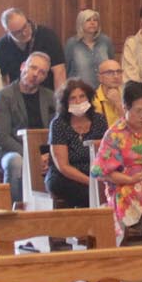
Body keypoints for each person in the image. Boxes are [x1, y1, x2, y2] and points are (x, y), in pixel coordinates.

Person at [95, 81, 142, 245]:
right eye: (138, 111)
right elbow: (103, 172)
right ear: (125, 107)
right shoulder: (114, 134)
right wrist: (129, 179)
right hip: (123, 186)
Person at [0, 53, 57, 196]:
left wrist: (49, 155)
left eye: (42, 72)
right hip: (13, 151)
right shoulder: (4, 96)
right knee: (16, 162)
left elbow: (57, 131)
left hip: (45, 152)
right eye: (33, 68)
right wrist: (32, 156)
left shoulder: (50, 97)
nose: (36, 74)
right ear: (23, 67)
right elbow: (2, 136)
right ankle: (17, 207)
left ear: (45, 77)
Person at [46, 79, 106, 209]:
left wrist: (98, 180)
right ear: (65, 102)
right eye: (72, 98)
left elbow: (106, 152)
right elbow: (63, 166)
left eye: (82, 96)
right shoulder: (58, 124)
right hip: (66, 176)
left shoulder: (99, 120)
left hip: (94, 173)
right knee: (89, 194)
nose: (78, 101)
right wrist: (91, 182)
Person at [0, 7, 67, 92]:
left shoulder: (47, 36)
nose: (24, 33)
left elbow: (59, 72)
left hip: (47, 94)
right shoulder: (2, 46)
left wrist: (60, 99)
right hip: (17, 96)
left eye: (25, 26)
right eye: (18, 32)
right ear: (8, 31)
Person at [66, 8, 115, 86]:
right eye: (88, 20)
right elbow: (66, 69)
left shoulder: (105, 41)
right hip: (79, 90)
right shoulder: (72, 44)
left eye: (95, 20)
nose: (92, 23)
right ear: (80, 23)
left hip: (103, 90)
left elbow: (112, 65)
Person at [91, 58, 128, 125]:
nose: (116, 76)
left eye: (119, 72)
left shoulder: (129, 95)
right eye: (110, 73)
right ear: (100, 78)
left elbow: (134, 127)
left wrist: (119, 105)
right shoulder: (92, 99)